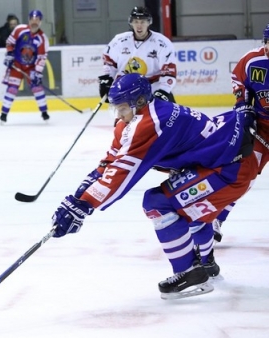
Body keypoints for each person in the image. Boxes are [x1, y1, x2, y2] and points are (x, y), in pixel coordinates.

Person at [50, 73, 258, 300]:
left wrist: (84, 206)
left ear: (139, 102)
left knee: (157, 203)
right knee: (190, 208)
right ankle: (206, 265)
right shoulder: (136, 119)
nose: (118, 115)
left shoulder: (151, 123)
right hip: (220, 161)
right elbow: (109, 163)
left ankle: (189, 273)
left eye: (121, 108)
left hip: (229, 169)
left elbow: (121, 174)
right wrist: (77, 198)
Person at [211, 23, 269, 241]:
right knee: (243, 176)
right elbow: (239, 82)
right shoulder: (253, 60)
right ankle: (216, 218)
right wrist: (244, 106)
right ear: (264, 43)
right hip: (262, 128)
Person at [98, 6, 177, 103]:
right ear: (131, 23)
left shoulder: (162, 43)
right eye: (136, 22)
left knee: (170, 115)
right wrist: (106, 80)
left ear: (149, 23)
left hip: (153, 87)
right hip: (126, 88)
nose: (139, 26)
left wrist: (163, 91)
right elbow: (109, 62)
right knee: (124, 117)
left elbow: (169, 71)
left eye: (143, 22)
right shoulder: (119, 41)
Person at [0, 10, 49, 124]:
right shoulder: (20, 29)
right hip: (17, 64)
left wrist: (37, 72)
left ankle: (44, 112)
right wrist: (10, 55)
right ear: (29, 19)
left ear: (40, 21)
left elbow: (42, 57)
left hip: (31, 67)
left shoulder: (42, 39)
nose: (34, 22)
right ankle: (4, 114)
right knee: (12, 88)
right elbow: (9, 42)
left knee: (37, 88)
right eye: (32, 19)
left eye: (37, 20)